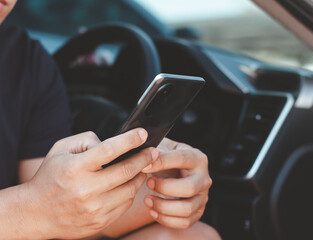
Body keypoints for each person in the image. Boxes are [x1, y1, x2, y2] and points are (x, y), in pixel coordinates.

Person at [0, 0, 221, 239]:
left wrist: (168, 184)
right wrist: (32, 210)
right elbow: (41, 207)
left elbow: (56, 199)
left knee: (194, 236)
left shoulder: (26, 58)